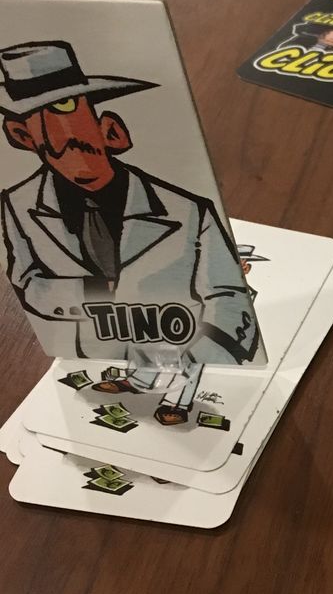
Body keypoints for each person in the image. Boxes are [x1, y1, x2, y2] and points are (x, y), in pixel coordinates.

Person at [0, 40, 260, 372]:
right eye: (40, 120)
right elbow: (27, 282)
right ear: (21, 135)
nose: (63, 132)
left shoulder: (188, 210)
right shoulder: (17, 205)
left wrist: (197, 361)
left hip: (189, 364)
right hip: (96, 366)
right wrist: (97, 293)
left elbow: (230, 299)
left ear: (110, 128)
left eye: (67, 105)